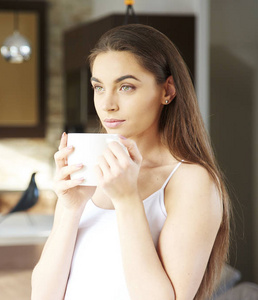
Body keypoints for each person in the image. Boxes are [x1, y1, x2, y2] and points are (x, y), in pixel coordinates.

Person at [31, 24, 230, 300]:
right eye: (99, 87)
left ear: (167, 90)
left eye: (126, 87)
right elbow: (43, 296)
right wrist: (70, 209)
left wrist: (126, 200)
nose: (107, 104)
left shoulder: (191, 181)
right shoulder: (93, 171)